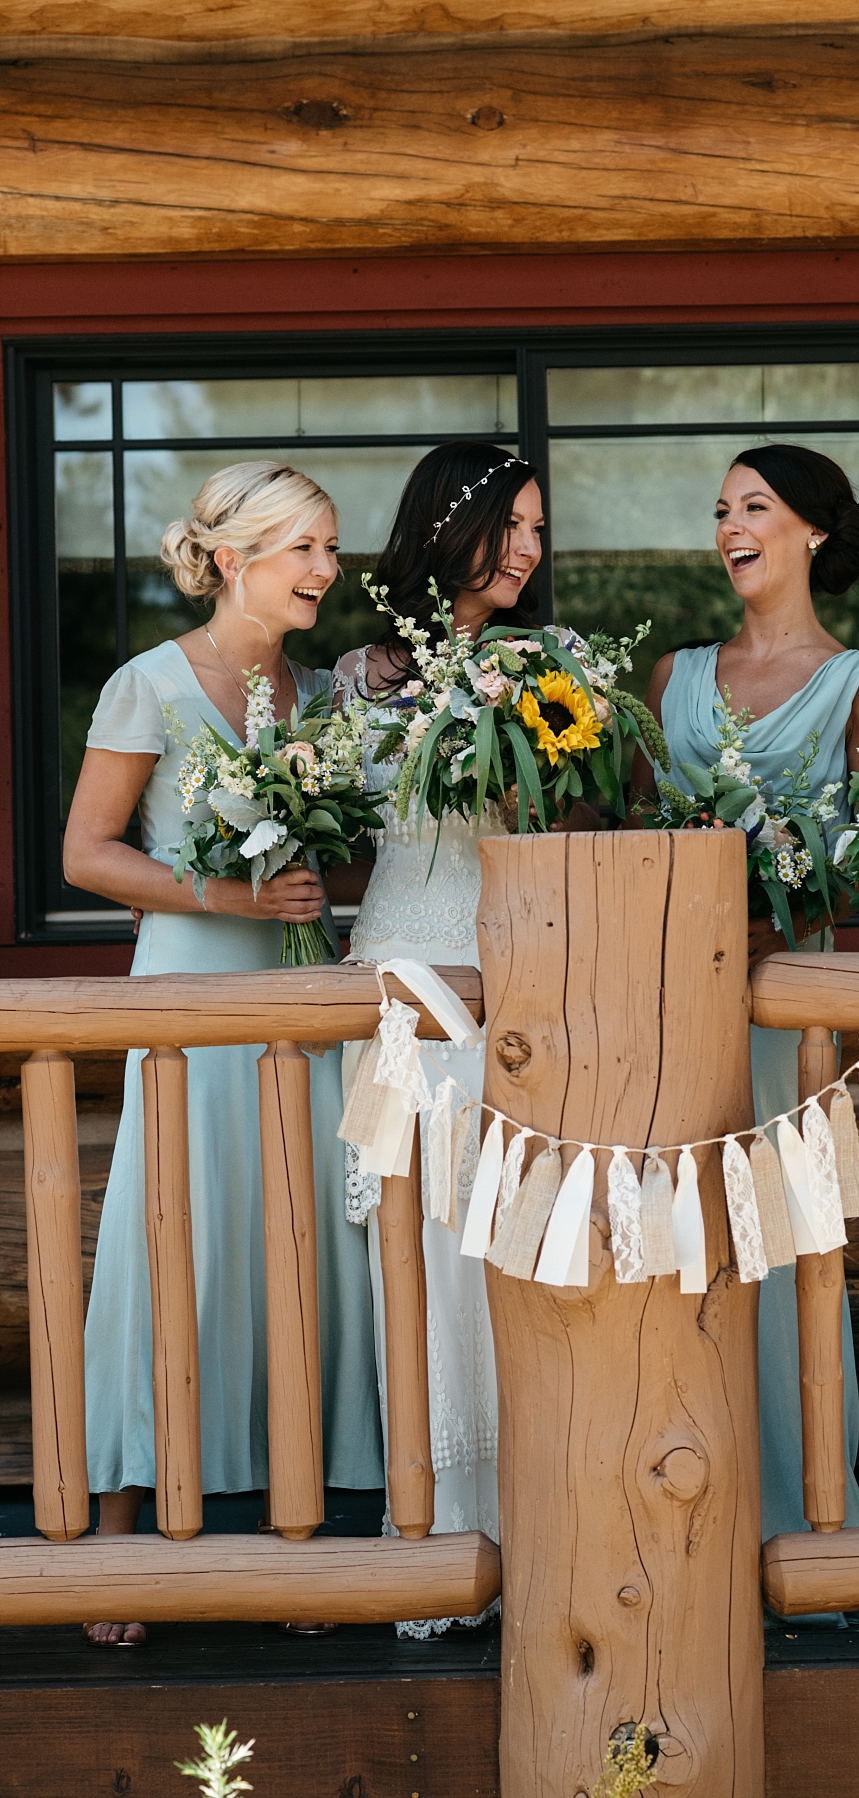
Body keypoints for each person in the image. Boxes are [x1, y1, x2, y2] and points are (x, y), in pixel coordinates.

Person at [65, 462, 384, 1646]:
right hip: (191, 1000)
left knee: (300, 1247)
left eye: (332, 548)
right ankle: (118, 1523)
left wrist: (321, 873)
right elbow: (87, 856)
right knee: (174, 1245)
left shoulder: (324, 696)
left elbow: (350, 861)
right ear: (237, 556)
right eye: (307, 547)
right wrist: (222, 890)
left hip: (305, 989)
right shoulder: (148, 685)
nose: (328, 571)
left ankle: (297, 1528)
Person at [634, 442, 859, 1545]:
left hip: (784, 1012)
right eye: (719, 510)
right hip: (671, 1010)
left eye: (754, 506)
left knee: (784, 1245)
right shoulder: (672, 675)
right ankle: (681, 1514)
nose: (729, 527)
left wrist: (779, 901)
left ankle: (802, 1522)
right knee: (682, 1248)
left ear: (810, 530)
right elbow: (639, 841)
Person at [333, 441, 544, 1634]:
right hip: (389, 979)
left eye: (538, 530)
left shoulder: (550, 670)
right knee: (407, 1245)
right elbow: (338, 827)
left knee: (507, 1243)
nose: (528, 548)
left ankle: (529, 1530)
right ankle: (430, 1544)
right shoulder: (355, 680)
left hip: (513, 983)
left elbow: (570, 823)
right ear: (450, 524)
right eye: (512, 523)